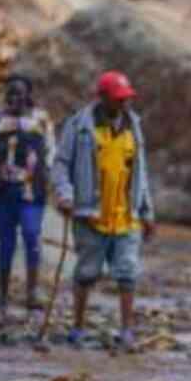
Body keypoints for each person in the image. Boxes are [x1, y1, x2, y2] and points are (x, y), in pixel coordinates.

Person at [52, 70, 155, 348]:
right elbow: (61, 164)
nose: (124, 104)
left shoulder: (133, 126)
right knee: (86, 273)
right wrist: (65, 195)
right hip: (91, 215)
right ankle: (78, 327)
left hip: (126, 215)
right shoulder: (80, 126)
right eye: (118, 99)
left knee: (127, 274)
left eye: (126, 99)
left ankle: (127, 331)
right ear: (102, 98)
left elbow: (140, 173)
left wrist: (147, 212)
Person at [0, 74, 55, 316]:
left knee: (31, 236)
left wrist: (52, 180)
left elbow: (50, 152)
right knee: (6, 243)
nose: (14, 97)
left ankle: (32, 293)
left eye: (19, 93)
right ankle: (3, 295)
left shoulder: (41, 119)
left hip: (30, 191)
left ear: (29, 95)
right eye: (10, 93)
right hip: (2, 191)